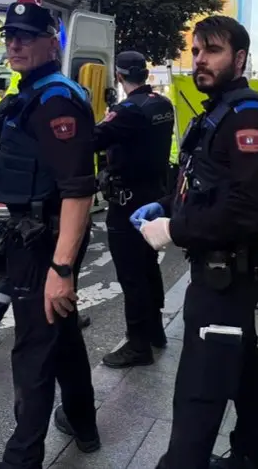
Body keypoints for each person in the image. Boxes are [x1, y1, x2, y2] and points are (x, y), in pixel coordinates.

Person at [132, 16, 258, 469]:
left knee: (200, 388)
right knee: (242, 363)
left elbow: (245, 209)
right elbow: (199, 183)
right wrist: (164, 206)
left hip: (226, 277)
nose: (200, 59)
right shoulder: (216, 113)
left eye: (212, 50)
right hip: (218, 271)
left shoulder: (249, 114)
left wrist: (173, 231)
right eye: (196, 50)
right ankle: (252, 451)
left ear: (238, 59)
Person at [0, 2, 99, 469]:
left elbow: (77, 188)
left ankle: (21, 460)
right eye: (11, 35)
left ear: (53, 41)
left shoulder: (55, 100)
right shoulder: (35, 93)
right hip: (37, 231)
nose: (15, 43)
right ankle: (84, 424)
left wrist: (61, 266)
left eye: (27, 35)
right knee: (61, 333)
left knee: (32, 349)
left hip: (44, 237)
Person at [93, 50, 174, 368]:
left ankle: (138, 345)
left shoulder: (127, 110)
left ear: (118, 75)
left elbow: (93, 138)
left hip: (127, 202)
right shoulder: (161, 104)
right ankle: (155, 332)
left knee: (131, 276)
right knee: (148, 266)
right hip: (153, 197)